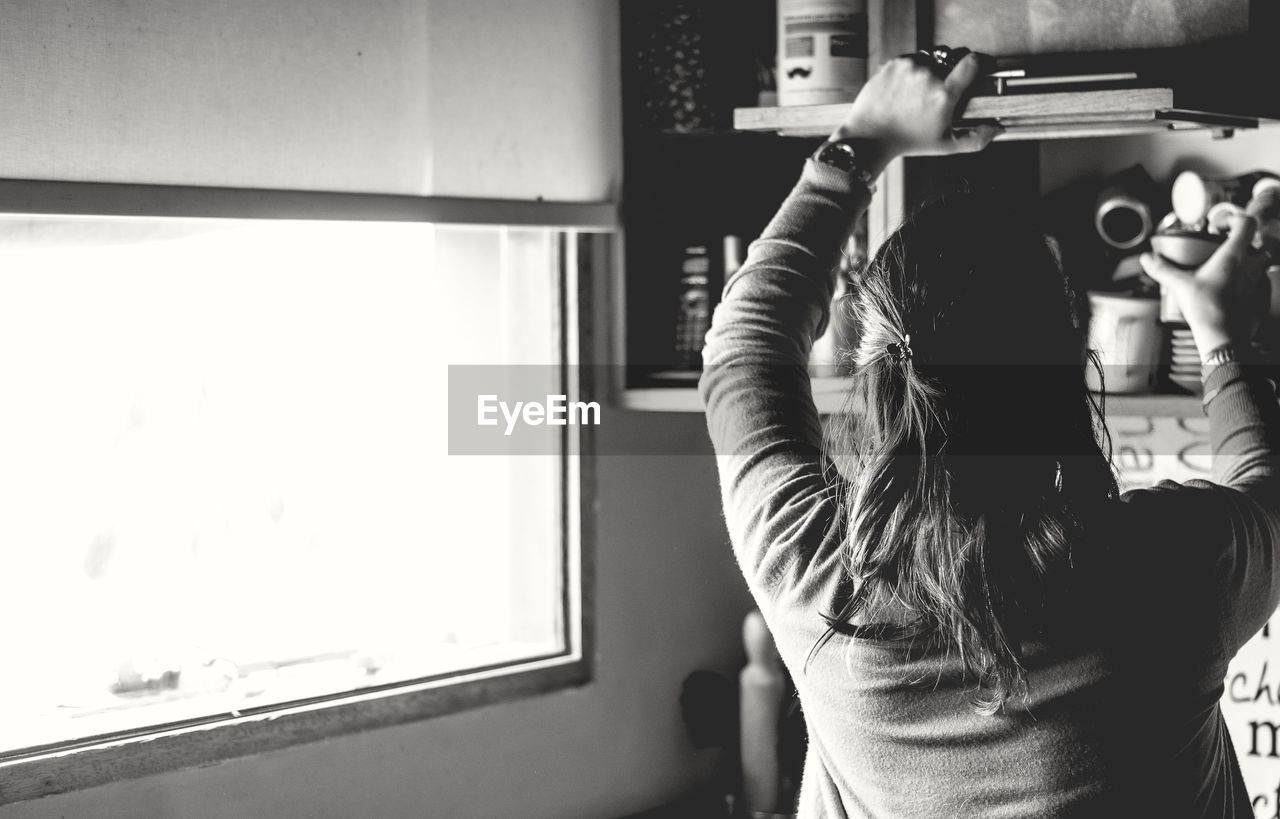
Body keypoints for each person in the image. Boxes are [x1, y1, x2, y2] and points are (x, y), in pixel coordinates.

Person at [699, 50, 1280, 817]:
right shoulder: (1171, 574)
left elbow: (745, 344)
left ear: (875, 368)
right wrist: (1225, 339)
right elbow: (1267, 485)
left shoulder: (813, 577)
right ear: (1071, 374)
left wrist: (863, 140)